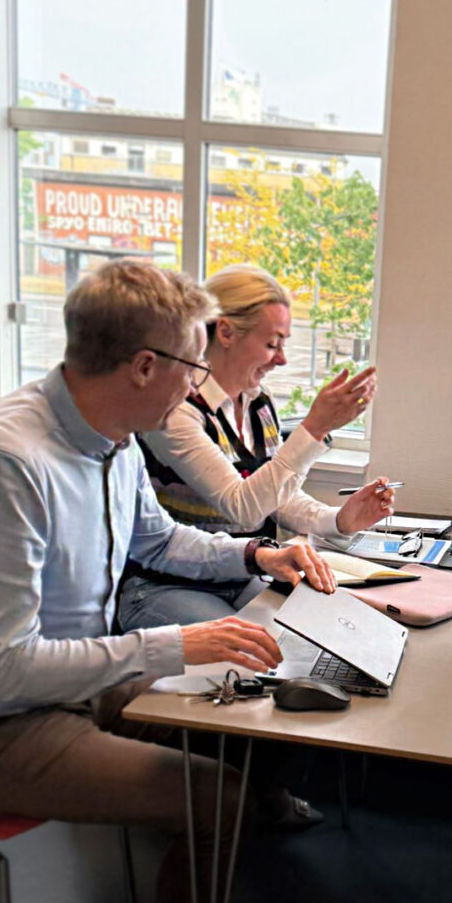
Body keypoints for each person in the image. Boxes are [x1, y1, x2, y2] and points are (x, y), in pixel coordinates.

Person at [0, 261, 337, 903]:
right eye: (193, 367)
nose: (197, 384)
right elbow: (4, 668)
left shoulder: (115, 436)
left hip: (69, 687)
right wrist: (176, 645)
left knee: (248, 726)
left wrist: (255, 555)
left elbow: (158, 540)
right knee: (219, 798)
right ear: (143, 366)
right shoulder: (6, 463)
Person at [119, 263, 394, 634]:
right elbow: (243, 508)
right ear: (226, 333)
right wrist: (315, 428)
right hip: (164, 586)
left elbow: (272, 496)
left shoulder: (258, 402)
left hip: (243, 572)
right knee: (258, 646)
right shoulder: (174, 409)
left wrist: (338, 520)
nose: (281, 359)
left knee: (318, 632)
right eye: (271, 344)